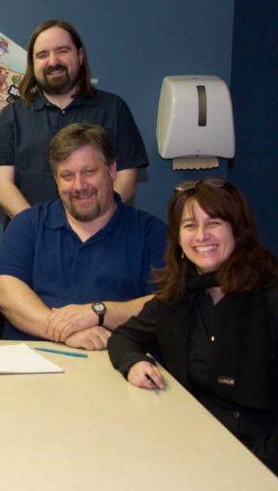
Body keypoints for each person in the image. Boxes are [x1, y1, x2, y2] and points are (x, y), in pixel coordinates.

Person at [108, 178, 278, 473]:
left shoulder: (270, 294)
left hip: (260, 455)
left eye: (213, 223)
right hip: (194, 441)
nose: (201, 235)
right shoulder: (178, 295)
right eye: (189, 225)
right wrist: (133, 363)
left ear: (238, 229)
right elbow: (123, 338)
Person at [0, 123, 165, 349]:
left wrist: (98, 312)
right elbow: (5, 293)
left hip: (117, 361)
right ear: (56, 180)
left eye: (89, 172)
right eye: (67, 176)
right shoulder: (28, 225)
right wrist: (64, 332)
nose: (79, 185)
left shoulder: (151, 233)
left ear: (112, 170)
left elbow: (167, 304)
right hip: (33, 362)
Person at [0, 20, 148, 218]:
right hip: (32, 235)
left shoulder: (114, 110)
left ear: (80, 55)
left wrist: (94, 224)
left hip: (100, 232)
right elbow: (1, 186)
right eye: (42, 55)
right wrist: (36, 229)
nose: (53, 62)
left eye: (62, 51)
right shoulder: (12, 116)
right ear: (33, 64)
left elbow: (126, 179)